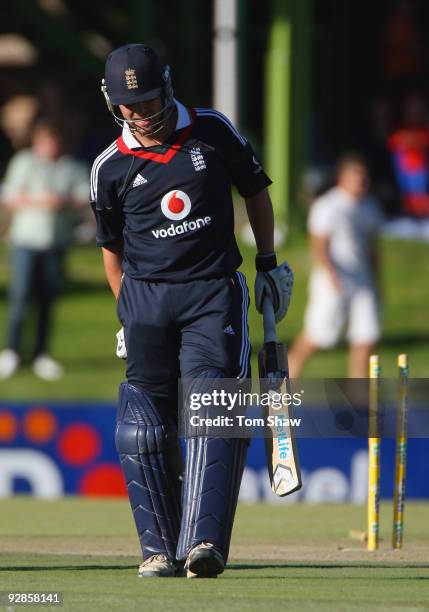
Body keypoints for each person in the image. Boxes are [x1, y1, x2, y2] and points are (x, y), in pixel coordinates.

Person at [91, 43, 293, 578]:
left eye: (150, 101)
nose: (141, 114)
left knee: (212, 401)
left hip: (211, 292)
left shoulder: (212, 130)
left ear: (169, 88)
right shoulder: (109, 167)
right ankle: (158, 549)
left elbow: (256, 191)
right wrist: (124, 312)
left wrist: (268, 263)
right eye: (130, 106)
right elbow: (111, 249)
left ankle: (205, 544)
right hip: (146, 299)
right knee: (144, 424)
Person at [0, 118, 89, 380]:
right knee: (20, 297)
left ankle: (41, 354)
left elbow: (85, 197)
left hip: (55, 243)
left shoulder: (72, 167)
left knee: (47, 299)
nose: (51, 147)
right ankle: (12, 352)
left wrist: (63, 201)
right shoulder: (25, 162)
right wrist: (41, 201)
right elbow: (9, 196)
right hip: (26, 242)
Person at [289, 154, 383, 379]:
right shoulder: (327, 205)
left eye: (364, 176)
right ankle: (282, 389)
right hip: (333, 280)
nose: (362, 181)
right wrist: (331, 275)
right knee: (317, 336)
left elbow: (373, 249)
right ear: (343, 177)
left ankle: (358, 400)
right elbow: (319, 245)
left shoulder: (369, 206)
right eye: (357, 176)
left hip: (363, 280)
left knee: (366, 338)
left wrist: (377, 282)